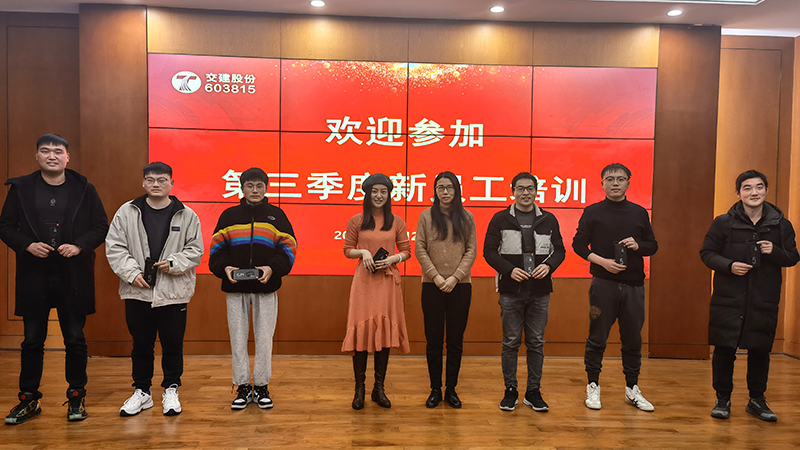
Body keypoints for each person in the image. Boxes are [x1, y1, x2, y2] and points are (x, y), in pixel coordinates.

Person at [1, 134, 108, 425]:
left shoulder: (85, 188)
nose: (52, 156)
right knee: (32, 340)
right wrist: (26, 245)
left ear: (67, 157)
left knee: (75, 338)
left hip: (73, 275)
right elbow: (5, 226)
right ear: (36, 156)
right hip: (34, 274)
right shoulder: (21, 188)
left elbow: (101, 226)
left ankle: (76, 396)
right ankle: (29, 399)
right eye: (45, 151)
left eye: (58, 151)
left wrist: (79, 246)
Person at [105, 162, 203, 417]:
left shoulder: (187, 215)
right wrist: (132, 273)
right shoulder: (127, 212)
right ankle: (142, 391)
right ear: (143, 183)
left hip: (173, 292)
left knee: (173, 344)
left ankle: (171, 388)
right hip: (137, 290)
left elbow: (195, 250)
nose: (156, 184)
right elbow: (115, 246)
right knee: (141, 344)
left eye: (161, 179)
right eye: (150, 179)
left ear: (172, 183)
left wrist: (174, 263)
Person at [700, 170, 798, 422]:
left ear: (766, 190)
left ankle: (757, 399)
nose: (754, 192)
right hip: (729, 297)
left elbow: (792, 257)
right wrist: (729, 265)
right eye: (747, 188)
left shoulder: (781, 225)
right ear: (738, 193)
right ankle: (722, 399)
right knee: (724, 348)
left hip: (763, 296)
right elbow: (707, 253)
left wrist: (774, 250)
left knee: (760, 349)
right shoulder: (723, 223)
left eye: (759, 187)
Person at [209, 168, 297, 410]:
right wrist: (225, 268)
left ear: (266, 188)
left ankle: (261, 386)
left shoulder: (277, 216)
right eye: (250, 185)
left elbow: (289, 248)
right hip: (235, 288)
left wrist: (272, 268)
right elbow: (216, 250)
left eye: (259, 185)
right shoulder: (229, 216)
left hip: (266, 287)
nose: (255, 190)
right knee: (237, 339)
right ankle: (242, 387)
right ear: (242, 188)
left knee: (264, 339)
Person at [572, 163, 658, 412]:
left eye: (621, 179)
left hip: (634, 286)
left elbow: (652, 246)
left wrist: (638, 245)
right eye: (610, 179)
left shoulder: (639, 212)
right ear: (602, 183)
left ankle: (632, 388)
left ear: (629, 182)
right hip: (603, 285)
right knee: (597, 338)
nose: (615, 183)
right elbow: (578, 245)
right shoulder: (593, 212)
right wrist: (602, 262)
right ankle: (593, 385)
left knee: (633, 339)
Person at [483, 172, 565, 412]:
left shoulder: (548, 219)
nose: (525, 193)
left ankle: (533, 391)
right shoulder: (500, 219)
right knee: (510, 342)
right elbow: (489, 252)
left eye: (530, 188)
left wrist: (548, 266)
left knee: (536, 342)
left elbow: (559, 251)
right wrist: (509, 270)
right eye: (520, 188)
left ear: (536, 191)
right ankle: (510, 390)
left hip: (540, 290)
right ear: (513, 191)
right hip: (511, 290)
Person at [342, 173, 411, 410]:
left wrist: (393, 258)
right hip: (364, 282)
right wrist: (363, 253)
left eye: (383, 191)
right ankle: (359, 389)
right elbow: (347, 249)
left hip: (387, 282)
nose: (379, 196)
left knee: (384, 333)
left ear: (389, 194)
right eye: (374, 191)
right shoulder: (357, 220)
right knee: (361, 333)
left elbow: (406, 251)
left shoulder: (397, 222)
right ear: (367, 194)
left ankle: (378, 389)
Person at [416, 171, 477, 409]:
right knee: (433, 341)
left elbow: (471, 250)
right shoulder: (426, 216)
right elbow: (420, 249)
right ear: (435, 191)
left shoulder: (467, 217)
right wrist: (437, 277)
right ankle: (435, 389)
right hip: (431, 286)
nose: (445, 192)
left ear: (456, 190)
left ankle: (451, 389)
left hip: (460, 287)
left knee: (455, 341)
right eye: (440, 187)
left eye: (449, 187)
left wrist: (454, 278)